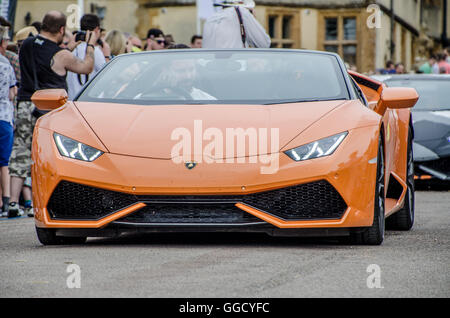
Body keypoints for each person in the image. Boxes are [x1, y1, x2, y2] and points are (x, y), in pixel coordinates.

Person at [7, 11, 98, 217]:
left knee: (20, 151)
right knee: (50, 155)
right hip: (48, 109)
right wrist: (90, 46)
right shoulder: (61, 55)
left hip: (25, 103)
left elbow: (43, 54)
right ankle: (47, 202)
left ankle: (12, 202)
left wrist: (68, 48)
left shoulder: (28, 44)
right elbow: (86, 67)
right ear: (62, 30)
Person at [66, 14, 107, 100]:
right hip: (91, 102)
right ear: (96, 30)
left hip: (71, 100)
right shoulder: (95, 51)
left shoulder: (71, 49)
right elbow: (105, 75)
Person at [202, 0, 270, 49]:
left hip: (212, 66)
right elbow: (264, 43)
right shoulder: (242, 12)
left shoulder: (210, 19)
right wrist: (252, 18)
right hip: (235, 65)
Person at [0, 26, 17, 217]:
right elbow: (13, 93)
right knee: (4, 162)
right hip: (3, 116)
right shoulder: (5, 64)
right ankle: (6, 199)